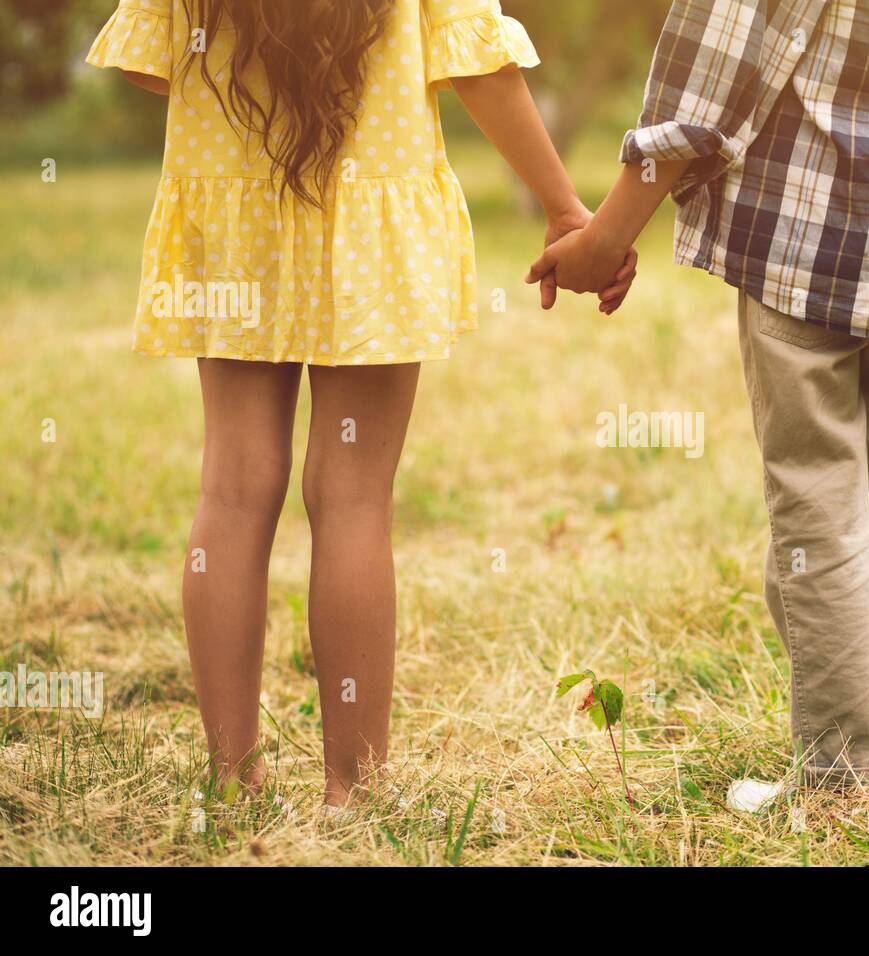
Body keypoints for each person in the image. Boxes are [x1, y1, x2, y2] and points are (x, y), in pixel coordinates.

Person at [86, 0, 634, 809]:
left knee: (232, 489)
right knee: (352, 498)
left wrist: (258, 93)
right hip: (371, 222)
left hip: (236, 219)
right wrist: (563, 207)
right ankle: (354, 790)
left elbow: (143, 56)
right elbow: (477, 62)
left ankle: (232, 783)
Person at [529, 0, 869, 793]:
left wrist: (605, 236)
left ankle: (842, 780)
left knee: (818, 506)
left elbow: (707, 85)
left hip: (809, 238)